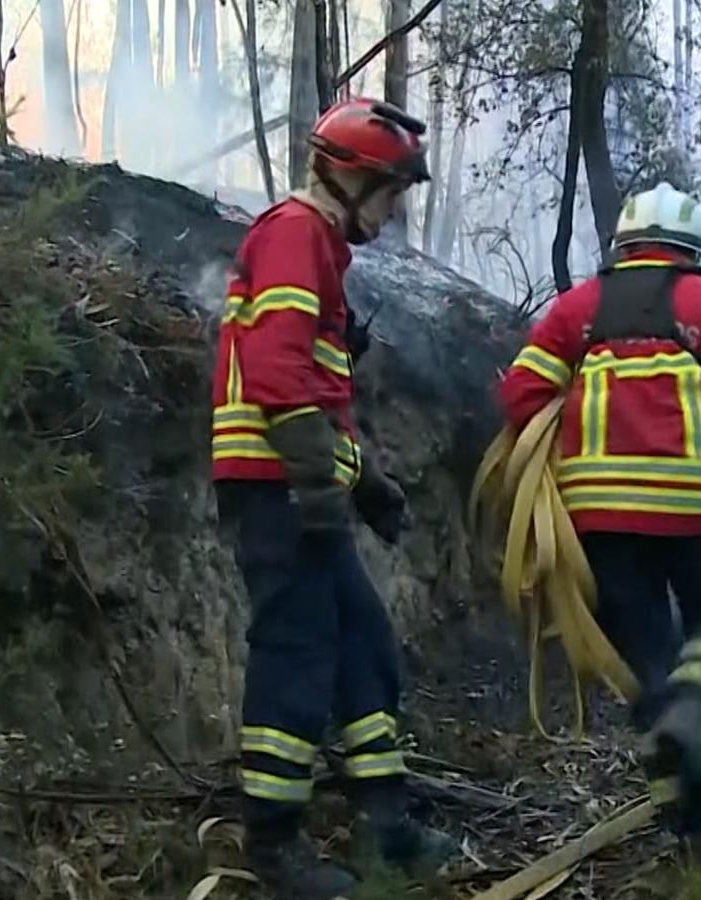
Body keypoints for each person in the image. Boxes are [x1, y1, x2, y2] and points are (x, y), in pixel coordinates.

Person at [498, 182, 701, 859]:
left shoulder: (578, 307)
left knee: (646, 658)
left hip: (601, 523)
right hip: (694, 512)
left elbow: (522, 394)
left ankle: (692, 822)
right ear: (693, 249)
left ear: (623, 245)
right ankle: (691, 713)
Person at [210, 97, 455, 898]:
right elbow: (279, 377)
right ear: (347, 177)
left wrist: (367, 483)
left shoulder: (318, 251)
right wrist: (319, 485)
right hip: (277, 491)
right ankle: (275, 847)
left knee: (362, 643)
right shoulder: (292, 235)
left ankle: (385, 822)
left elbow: (312, 394)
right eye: (389, 192)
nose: (394, 211)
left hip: (301, 486)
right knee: (297, 651)